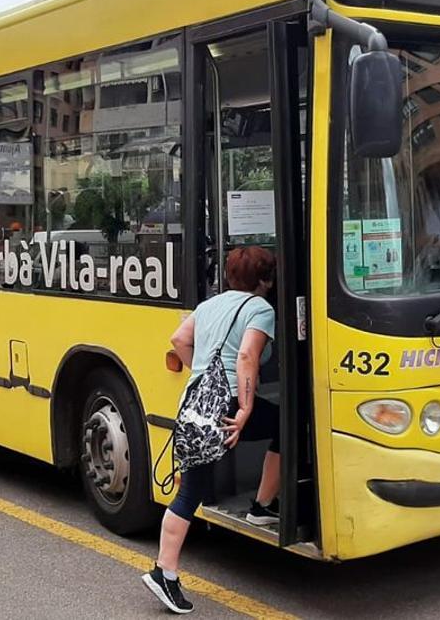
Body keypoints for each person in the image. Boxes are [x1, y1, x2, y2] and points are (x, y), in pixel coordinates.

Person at [142, 246, 280, 615]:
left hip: (195, 405)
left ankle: (164, 571)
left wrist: (200, 374)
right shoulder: (260, 309)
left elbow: (178, 340)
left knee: (191, 491)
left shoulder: (209, 305)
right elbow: (248, 356)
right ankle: (262, 505)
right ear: (265, 280)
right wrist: (246, 406)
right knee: (287, 426)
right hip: (229, 406)